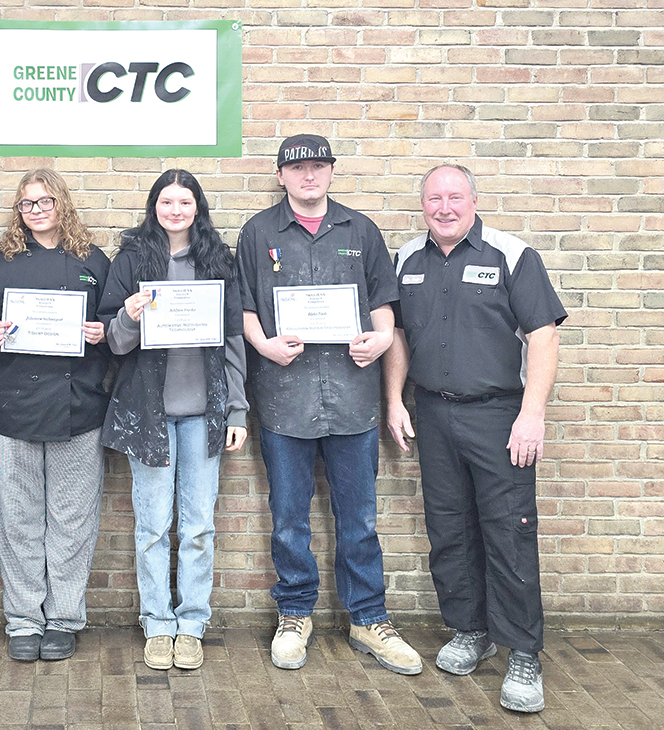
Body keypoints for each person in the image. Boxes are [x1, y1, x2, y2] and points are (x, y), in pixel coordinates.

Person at [236, 134, 422, 675]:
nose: (308, 176)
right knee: (289, 518)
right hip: (284, 401)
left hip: (352, 400)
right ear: (281, 176)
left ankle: (369, 619)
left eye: (318, 167)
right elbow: (244, 307)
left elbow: (385, 305)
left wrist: (383, 337)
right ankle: (295, 614)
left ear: (332, 173)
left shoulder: (360, 230)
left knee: (359, 518)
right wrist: (264, 345)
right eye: (298, 169)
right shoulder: (258, 233)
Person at [383, 163, 565, 713]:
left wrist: (532, 414)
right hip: (434, 416)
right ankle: (469, 631)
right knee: (450, 531)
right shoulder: (405, 260)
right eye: (434, 198)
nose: (444, 207)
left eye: (455, 197)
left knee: (508, 535)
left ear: (474, 200)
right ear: (423, 205)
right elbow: (395, 335)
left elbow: (543, 335)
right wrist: (394, 399)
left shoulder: (512, 256)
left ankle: (523, 654)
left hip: (499, 417)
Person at [98, 169, 248, 671]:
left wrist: (238, 409)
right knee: (153, 526)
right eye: (167, 201)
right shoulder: (132, 260)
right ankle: (157, 623)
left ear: (197, 208)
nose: (176, 210)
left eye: (185, 202)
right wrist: (130, 315)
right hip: (149, 415)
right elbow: (113, 343)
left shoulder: (218, 261)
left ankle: (192, 623)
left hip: (205, 416)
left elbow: (232, 341)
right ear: (153, 206)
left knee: (200, 526)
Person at [0, 169, 111, 662]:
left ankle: (64, 618)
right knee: (18, 520)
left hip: (79, 407)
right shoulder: (1, 263)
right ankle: (24, 619)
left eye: (45, 201)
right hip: (13, 407)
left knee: (72, 520)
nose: (36, 210)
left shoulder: (93, 261)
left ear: (62, 203)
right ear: (18, 211)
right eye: (27, 204)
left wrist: (102, 332)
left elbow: (115, 323)